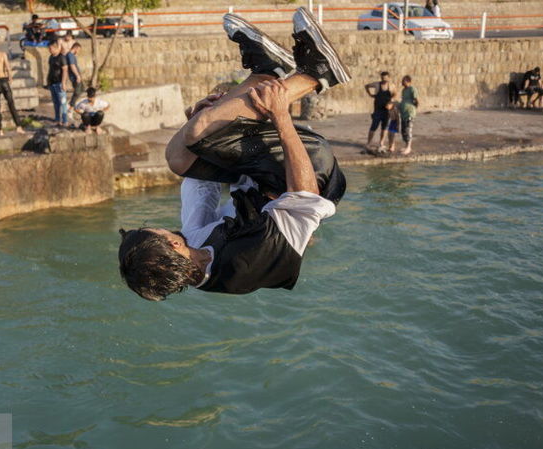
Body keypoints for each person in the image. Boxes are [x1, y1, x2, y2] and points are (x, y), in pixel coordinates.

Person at [118, 9, 348, 300]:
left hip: (260, 177)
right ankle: (316, 74)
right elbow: (307, 196)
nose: (164, 228)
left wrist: (204, 117)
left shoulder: (193, 245)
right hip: (311, 172)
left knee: (178, 154)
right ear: (172, 246)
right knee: (201, 129)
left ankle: (268, 70)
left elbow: (198, 181)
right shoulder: (249, 260)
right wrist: (281, 117)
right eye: (159, 231)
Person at [364, 71, 393, 151]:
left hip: (387, 111)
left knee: (385, 128)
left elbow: (395, 94)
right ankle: (368, 143)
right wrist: (370, 94)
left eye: (385, 78)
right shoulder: (377, 84)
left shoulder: (391, 86)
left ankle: (381, 143)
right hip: (377, 110)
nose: (384, 80)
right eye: (382, 78)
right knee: (373, 127)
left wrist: (391, 103)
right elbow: (366, 86)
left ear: (389, 78)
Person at [46, 39, 68, 127]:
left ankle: (65, 120)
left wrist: (63, 83)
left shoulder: (61, 57)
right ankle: (58, 119)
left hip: (59, 83)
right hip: (52, 83)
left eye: (51, 48)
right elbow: (50, 69)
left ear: (55, 48)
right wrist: (48, 81)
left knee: (62, 102)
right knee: (56, 103)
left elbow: (65, 70)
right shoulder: (51, 57)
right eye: (49, 48)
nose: (49, 50)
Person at [397, 75, 418, 155]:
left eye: (403, 81)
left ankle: (409, 147)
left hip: (410, 112)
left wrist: (413, 108)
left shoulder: (412, 89)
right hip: (403, 113)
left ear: (408, 81)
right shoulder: (403, 90)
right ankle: (406, 145)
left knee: (408, 130)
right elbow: (403, 99)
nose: (402, 82)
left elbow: (416, 100)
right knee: (403, 130)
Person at [65, 42, 84, 115]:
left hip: (76, 76)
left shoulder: (72, 55)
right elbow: (72, 66)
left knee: (82, 89)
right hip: (75, 77)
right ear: (75, 48)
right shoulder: (70, 55)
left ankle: (71, 105)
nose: (78, 52)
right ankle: (70, 107)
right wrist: (77, 76)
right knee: (77, 91)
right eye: (78, 50)